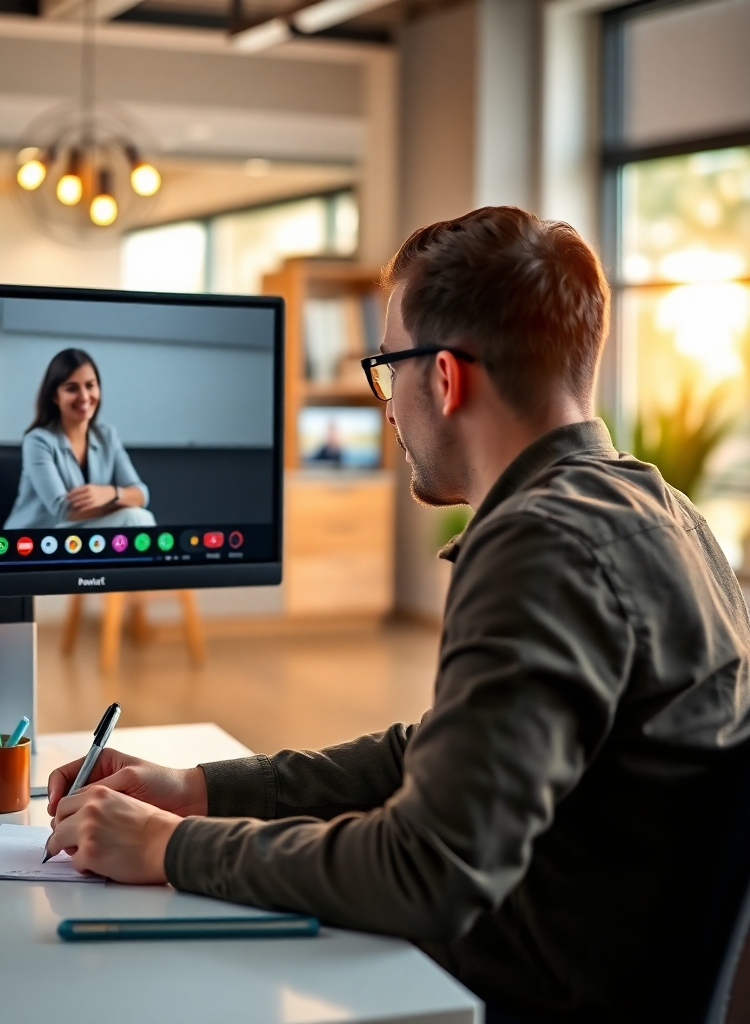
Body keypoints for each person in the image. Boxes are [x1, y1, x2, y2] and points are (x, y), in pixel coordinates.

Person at [43, 208, 750, 1024]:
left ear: (444, 378)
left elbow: (424, 869)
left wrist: (167, 847)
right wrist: (198, 790)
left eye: (388, 368)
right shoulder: (665, 511)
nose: (386, 407)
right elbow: (438, 752)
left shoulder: (540, 545)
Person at [3, 348, 155, 530]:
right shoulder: (37, 441)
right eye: (72, 388)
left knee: (138, 517)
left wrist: (110, 493)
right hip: (35, 539)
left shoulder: (107, 436)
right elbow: (64, 510)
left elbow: (141, 494)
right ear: (55, 396)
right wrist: (124, 501)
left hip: (81, 536)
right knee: (134, 518)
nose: (84, 396)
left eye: (90, 385)